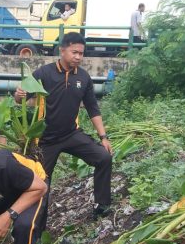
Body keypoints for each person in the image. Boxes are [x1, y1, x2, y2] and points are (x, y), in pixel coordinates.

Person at [14, 32, 113, 219]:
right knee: (42, 183)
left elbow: (93, 109)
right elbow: (22, 99)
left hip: (71, 134)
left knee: (103, 158)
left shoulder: (83, 78)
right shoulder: (44, 73)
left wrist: (103, 138)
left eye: (81, 53)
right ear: (62, 50)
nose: (78, 57)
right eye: (74, 52)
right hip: (45, 139)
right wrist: (19, 96)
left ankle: (102, 205)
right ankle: (36, 225)